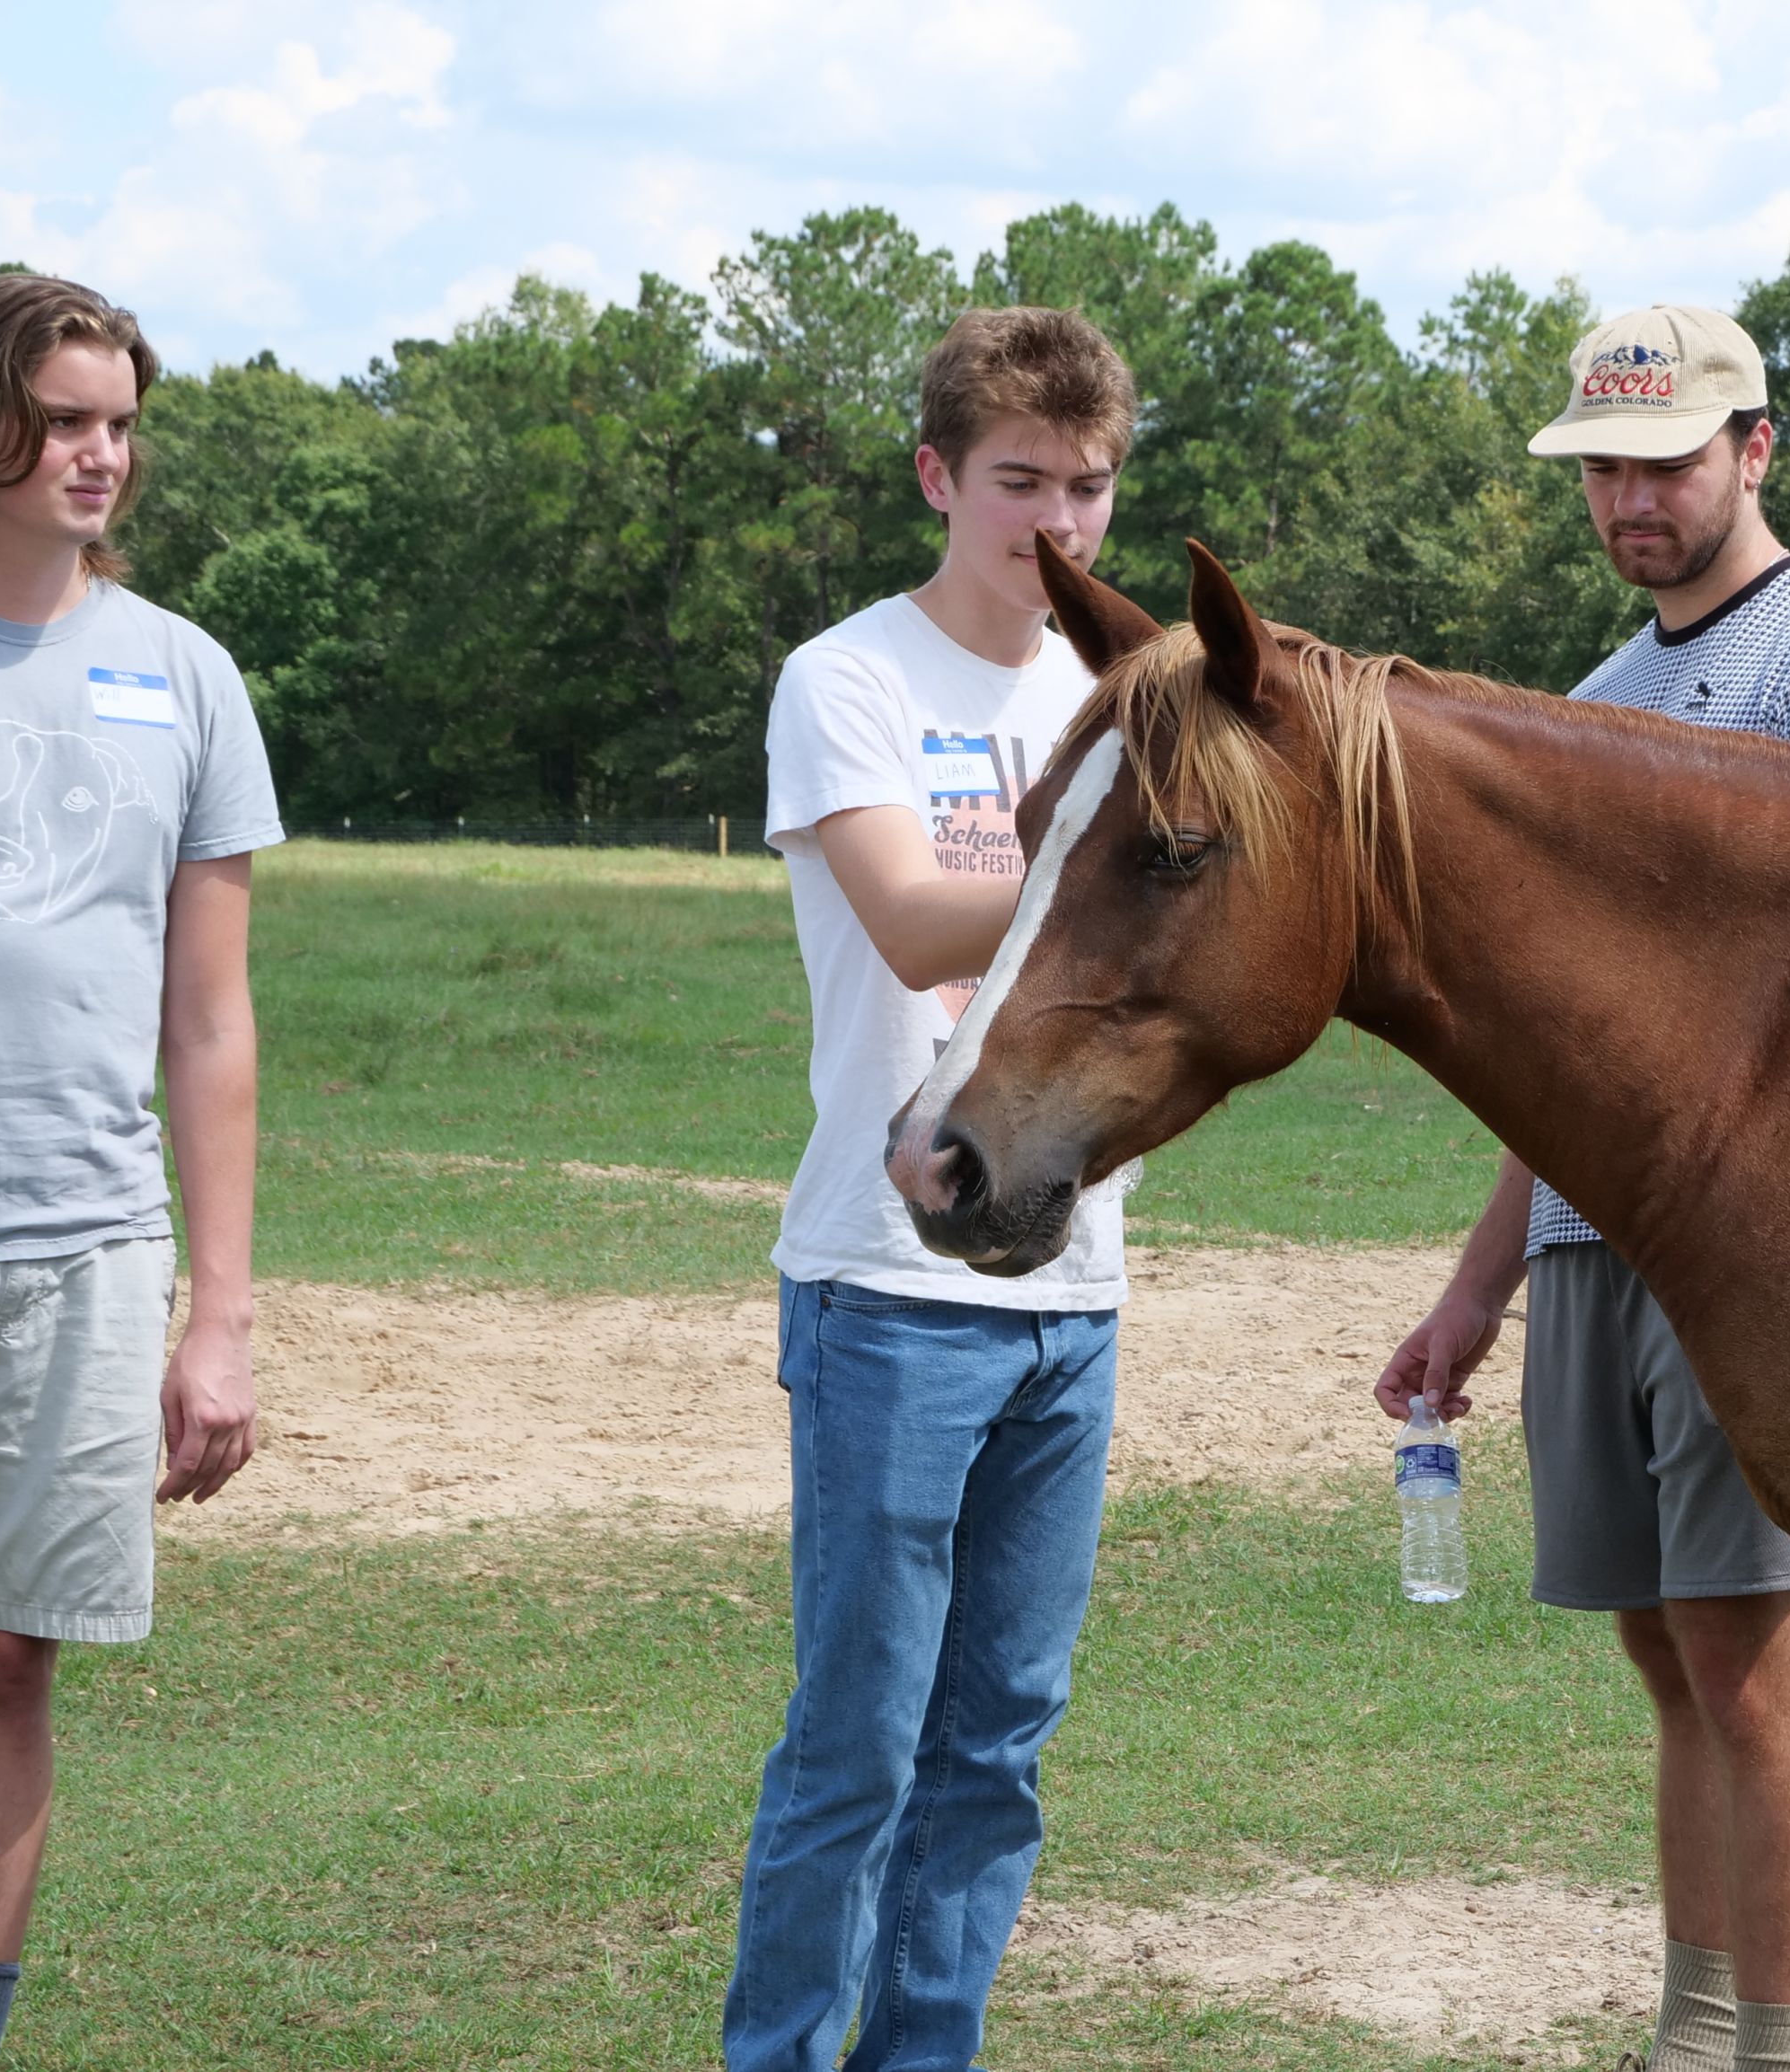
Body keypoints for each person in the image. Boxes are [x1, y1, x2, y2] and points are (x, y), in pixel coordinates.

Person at [1374, 304, 1790, 2072]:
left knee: (1744, 1653)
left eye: (1664, 460)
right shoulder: (1597, 706)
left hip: (1750, 1260)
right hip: (1589, 1249)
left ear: (1753, 448)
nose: (1629, 497)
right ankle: (1692, 2032)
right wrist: (1484, 1278)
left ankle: (1772, 2045)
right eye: (1603, 468)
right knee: (1664, 1655)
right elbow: (1560, 1047)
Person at [0, 273, 278, 2072]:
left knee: (6, 1659)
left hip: (88, 1245)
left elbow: (214, 1021)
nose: (102, 451)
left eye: (116, 420)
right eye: (65, 418)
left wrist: (219, 1311)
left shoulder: (184, 674)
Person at [725, 305, 1142, 2072]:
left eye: (1091, 485)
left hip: (1071, 1293)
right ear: (935, 476)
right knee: (863, 1737)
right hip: (889, 1285)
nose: (1056, 521)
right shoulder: (851, 678)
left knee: (1000, 1742)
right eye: (1017, 481)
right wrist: (1126, 861)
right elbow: (905, 913)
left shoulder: (1117, 691)